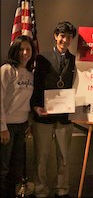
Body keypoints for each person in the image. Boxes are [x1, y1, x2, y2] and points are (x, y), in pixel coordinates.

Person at [30, 21, 77, 198]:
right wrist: (35, 107)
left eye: (68, 36)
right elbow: (36, 85)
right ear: (56, 36)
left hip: (65, 116)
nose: (65, 39)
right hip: (43, 115)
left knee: (64, 157)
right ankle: (41, 189)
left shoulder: (75, 60)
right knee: (41, 157)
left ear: (72, 39)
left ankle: (62, 189)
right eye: (62, 35)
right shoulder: (42, 58)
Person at [0, 35, 36, 198]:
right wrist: (3, 127)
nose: (25, 52)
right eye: (21, 49)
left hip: (21, 125)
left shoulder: (29, 74)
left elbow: (25, 101)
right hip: (6, 126)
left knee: (16, 167)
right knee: (3, 167)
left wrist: (28, 122)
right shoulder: (7, 70)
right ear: (15, 50)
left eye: (28, 49)